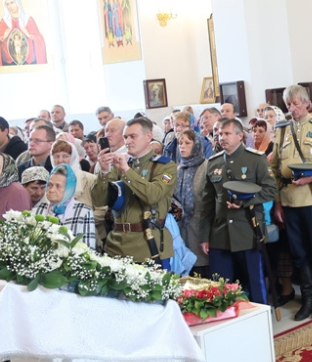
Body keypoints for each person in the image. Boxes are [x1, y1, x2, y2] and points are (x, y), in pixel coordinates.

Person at [271, 85, 312, 321]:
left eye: (296, 103)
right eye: (288, 104)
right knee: (298, 254)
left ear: (307, 103)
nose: (292, 108)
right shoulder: (282, 130)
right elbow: (274, 169)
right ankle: (309, 298)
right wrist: (277, 203)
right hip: (289, 201)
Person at [196, 118, 278, 304]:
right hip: (220, 233)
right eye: (219, 134)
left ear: (240, 136)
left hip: (248, 230)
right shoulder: (214, 162)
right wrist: (204, 236)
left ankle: (260, 316)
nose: (222, 138)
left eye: (227, 134)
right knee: (219, 287)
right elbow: (207, 203)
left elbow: (271, 190)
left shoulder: (255, 159)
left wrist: (246, 202)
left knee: (255, 282)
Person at [89, 118, 176, 266]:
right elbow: (98, 200)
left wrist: (126, 171)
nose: (128, 141)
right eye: (125, 137)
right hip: (115, 246)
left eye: (133, 136)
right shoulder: (119, 166)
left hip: (147, 247)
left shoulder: (165, 166)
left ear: (148, 136)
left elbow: (152, 196)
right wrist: (103, 171)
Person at [32, 164, 96, 250]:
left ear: (69, 188)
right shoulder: (39, 209)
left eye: (58, 186)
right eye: (50, 185)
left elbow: (88, 250)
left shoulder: (83, 212)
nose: (52, 190)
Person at [173, 129, 208, 276]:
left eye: (187, 143)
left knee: (201, 271)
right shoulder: (177, 169)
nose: (182, 146)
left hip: (200, 229)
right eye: (180, 143)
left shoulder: (206, 167)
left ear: (197, 145)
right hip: (181, 230)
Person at [0, 0, 47, 66]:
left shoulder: (28, 19)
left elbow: (38, 38)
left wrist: (29, 35)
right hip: (9, 60)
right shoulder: (4, 21)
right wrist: (3, 37)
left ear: (17, 2)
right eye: (7, 4)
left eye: (12, 3)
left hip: (28, 59)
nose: (10, 6)